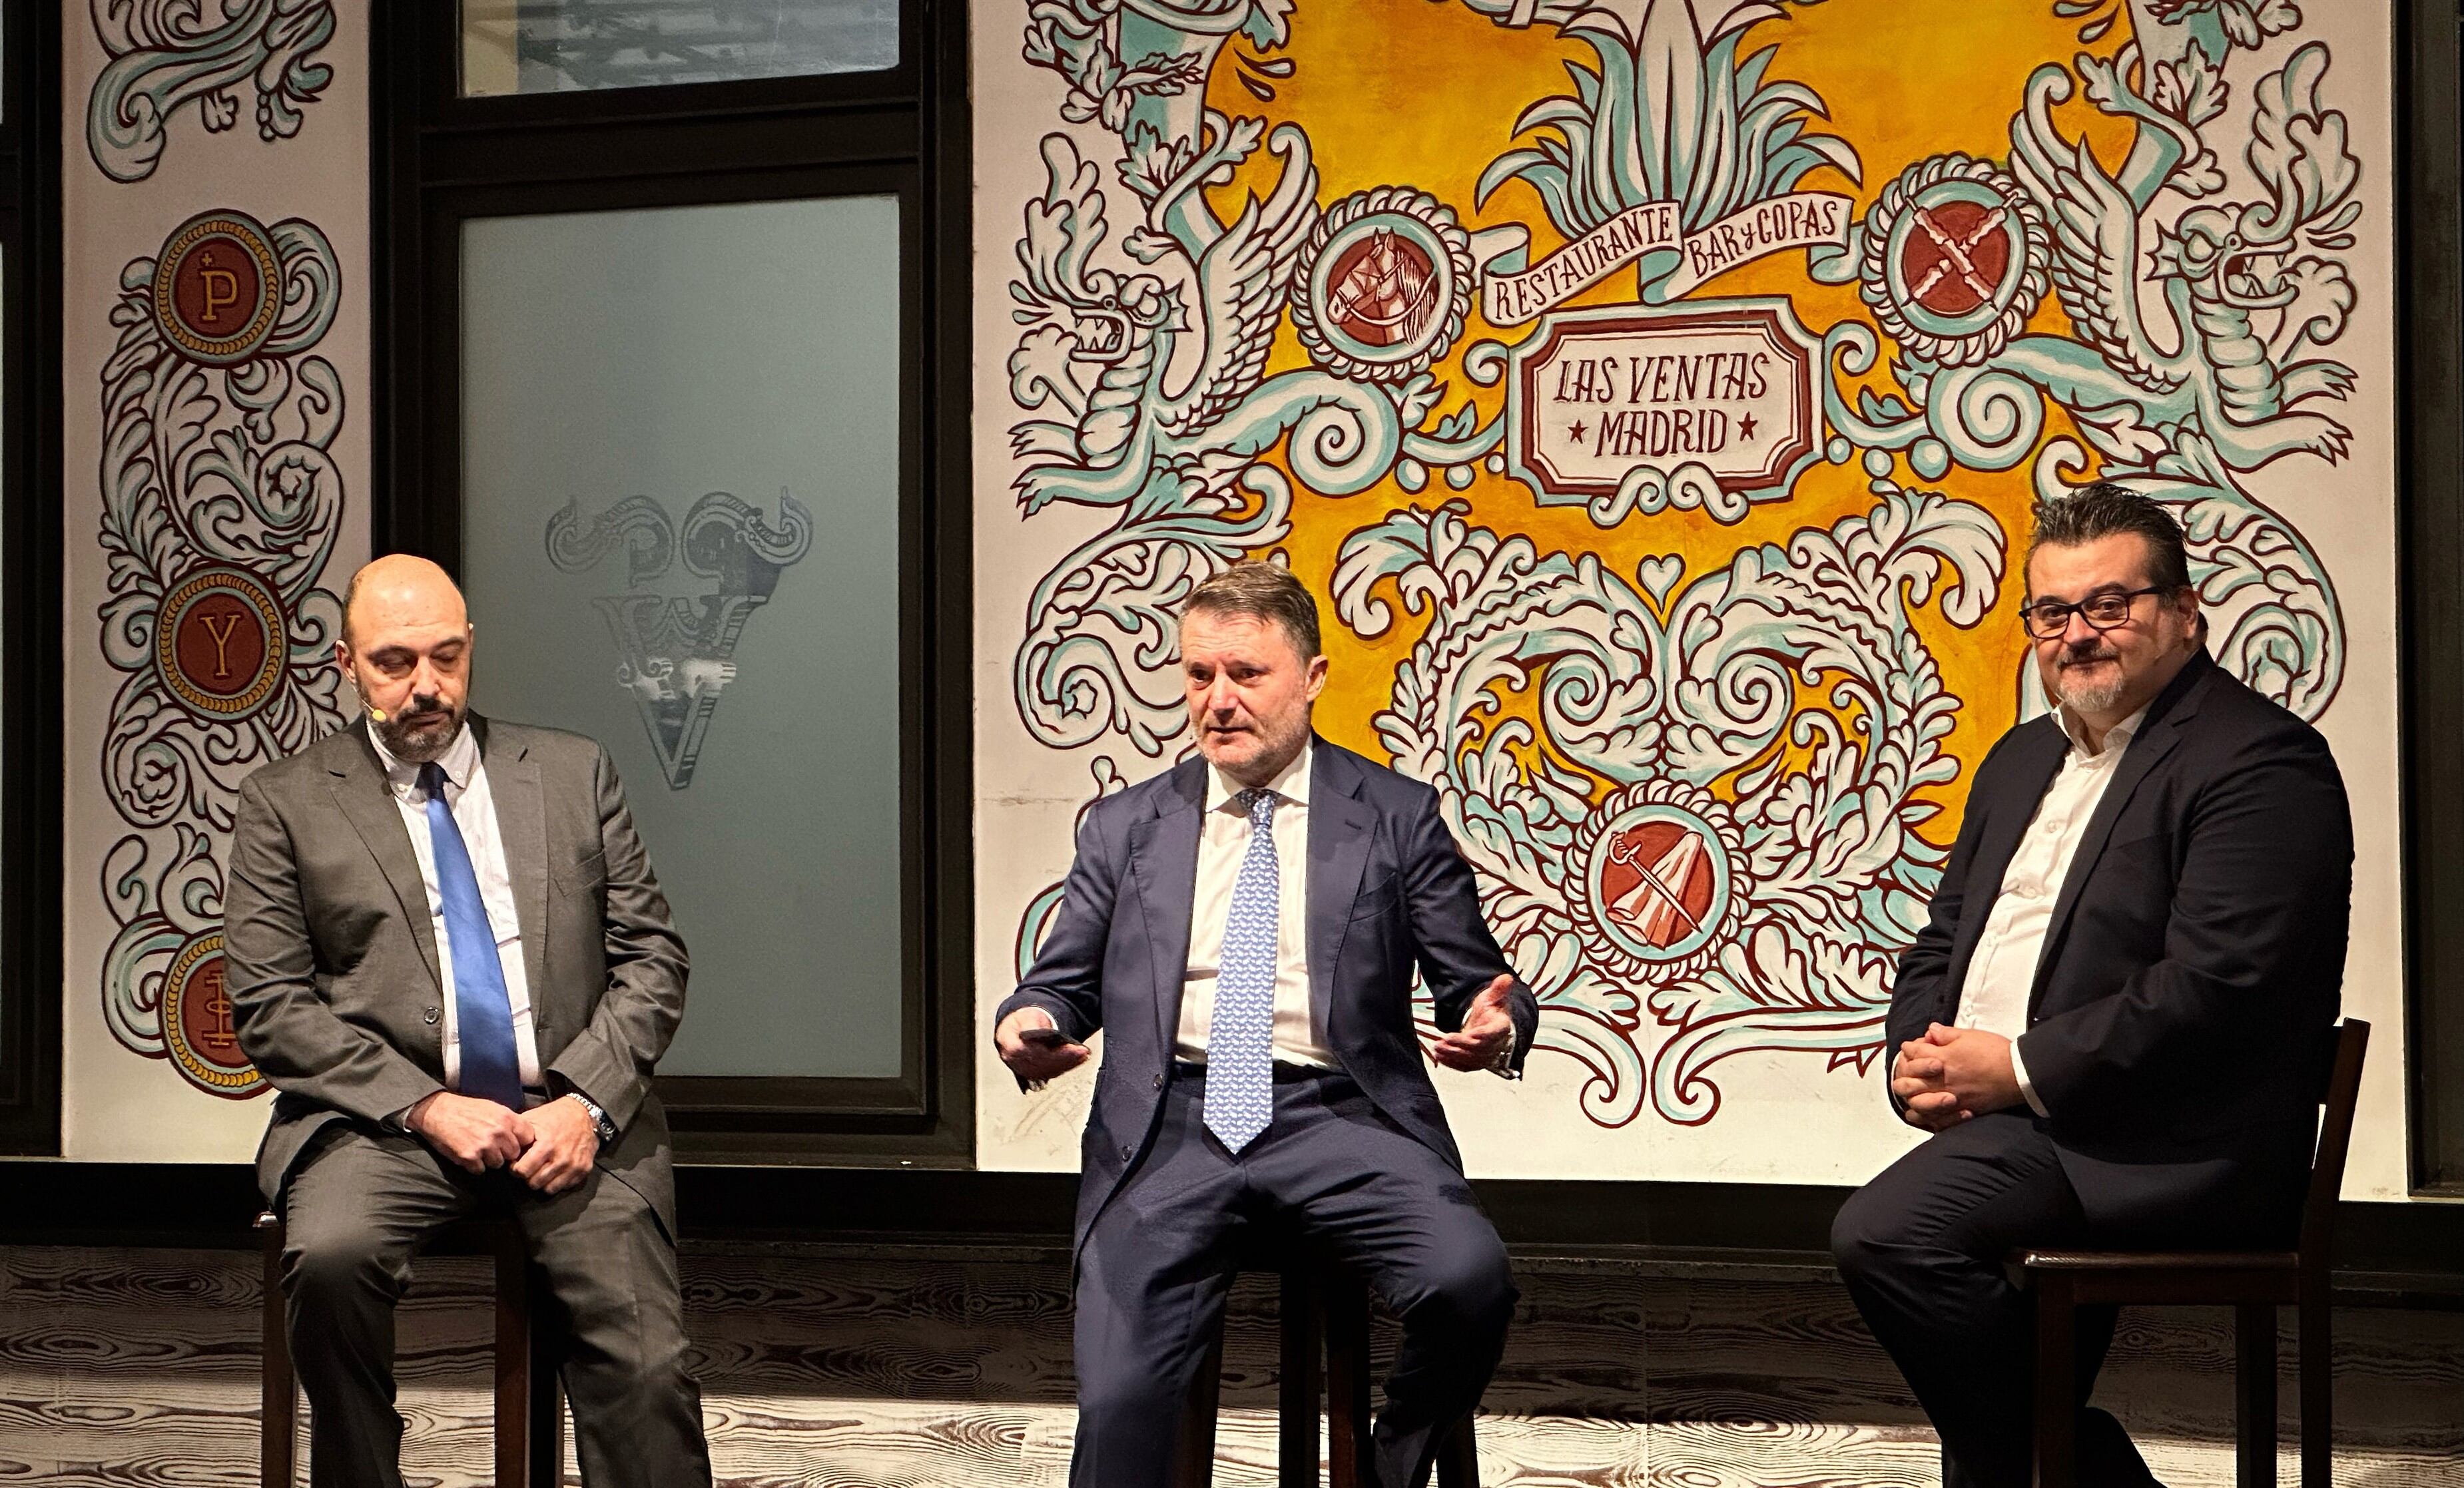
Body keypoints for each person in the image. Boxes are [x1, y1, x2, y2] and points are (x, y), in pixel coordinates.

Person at [1831, 484, 2353, 1488]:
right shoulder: (2021, 757)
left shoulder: (2259, 760)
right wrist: (1921, 1056)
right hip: (2030, 1128)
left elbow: (2221, 987)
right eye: (2052, 613)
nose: (2077, 635)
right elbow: (1944, 938)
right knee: (1975, 1331)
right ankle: (2057, 1464)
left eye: (2109, 606)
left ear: (2184, 612)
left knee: (1891, 1235)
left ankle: (2090, 1469)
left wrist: (2019, 1069)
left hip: (2173, 1140)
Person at [996, 561, 1538, 1488]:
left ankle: (1391, 1463)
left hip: (1343, 1114)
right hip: (1170, 1122)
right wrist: (1029, 1021)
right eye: (1200, 675)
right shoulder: (1125, 826)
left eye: (1247, 674)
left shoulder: (1396, 817)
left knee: (1469, 1281)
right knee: (1121, 1399)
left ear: (1313, 678)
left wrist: (1497, 1021)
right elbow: (1060, 981)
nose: (1219, 700)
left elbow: (1477, 981)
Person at [225, 555, 711, 1488]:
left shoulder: (571, 773)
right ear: (346, 663)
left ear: (471, 647)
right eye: (395, 662)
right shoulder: (286, 803)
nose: (426, 686)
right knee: (330, 1262)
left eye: (446, 657)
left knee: (645, 1365)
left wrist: (586, 1103)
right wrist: (424, 1107)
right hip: (386, 1128)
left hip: (567, 1119)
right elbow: (271, 1006)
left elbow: (654, 959)